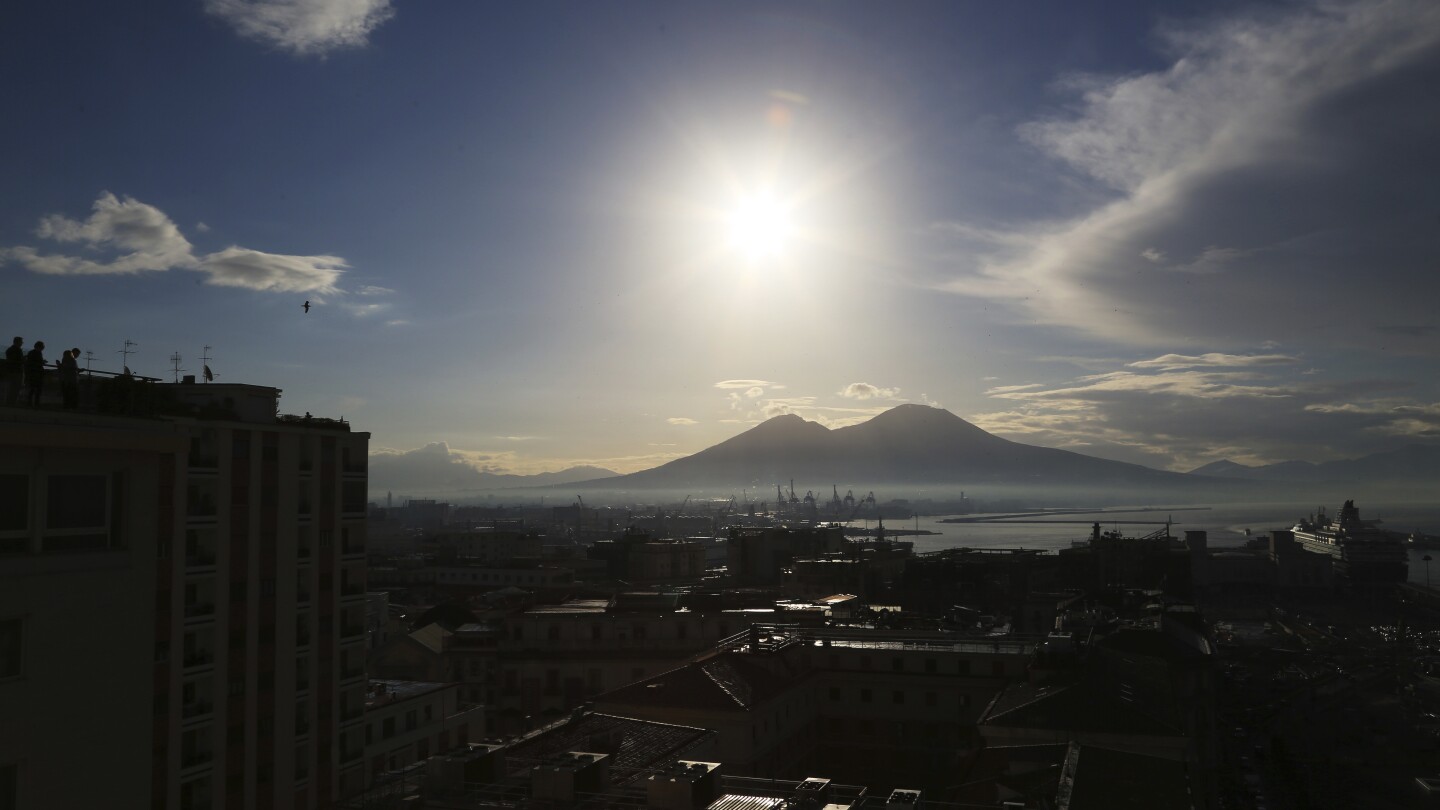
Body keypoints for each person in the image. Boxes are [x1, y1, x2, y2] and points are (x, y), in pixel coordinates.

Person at [24, 341, 45, 407]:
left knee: (33, 389)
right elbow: (37, 362)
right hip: (36, 373)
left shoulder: (32, 353)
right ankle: (35, 403)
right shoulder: (37, 353)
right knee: (35, 389)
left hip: (33, 373)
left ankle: (31, 403)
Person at [2, 337, 22, 406]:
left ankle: (9, 402)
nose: (22, 343)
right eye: (21, 342)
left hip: (11, 371)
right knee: (15, 388)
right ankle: (11, 402)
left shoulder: (9, 350)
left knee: (11, 388)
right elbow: (18, 360)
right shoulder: (17, 350)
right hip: (16, 371)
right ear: (17, 342)